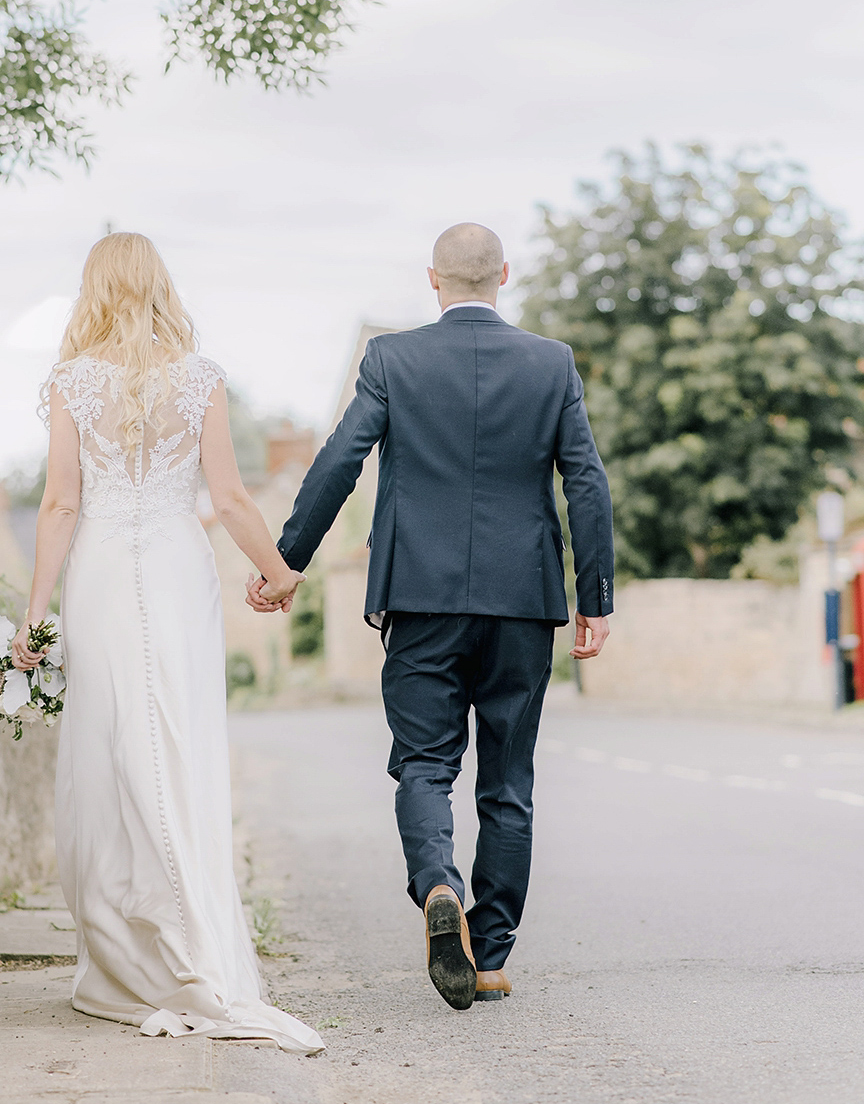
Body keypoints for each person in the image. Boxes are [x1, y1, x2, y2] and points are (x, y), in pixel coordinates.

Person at [247, 223, 613, 1011]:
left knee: (424, 766)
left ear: (434, 280)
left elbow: (340, 459)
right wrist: (597, 599)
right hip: (523, 603)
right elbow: (585, 480)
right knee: (508, 781)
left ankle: (438, 884)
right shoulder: (552, 363)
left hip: (420, 597)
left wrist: (287, 563)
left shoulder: (392, 360)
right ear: (504, 275)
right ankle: (488, 957)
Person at [11, 232, 321, 1053]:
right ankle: (190, 943)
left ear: (94, 289)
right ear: (159, 286)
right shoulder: (200, 380)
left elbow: (59, 506)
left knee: (114, 749)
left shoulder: (72, 383)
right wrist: (278, 571)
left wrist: (34, 614)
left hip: (105, 570)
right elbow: (230, 496)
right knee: (175, 746)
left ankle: (129, 952)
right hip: (180, 570)